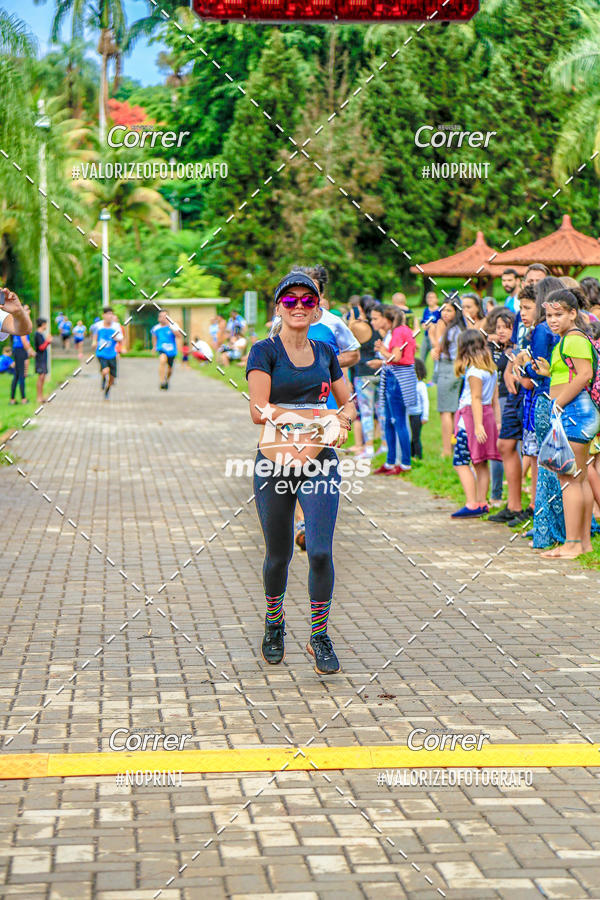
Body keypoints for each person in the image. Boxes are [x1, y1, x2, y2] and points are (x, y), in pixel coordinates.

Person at [245, 272, 356, 675]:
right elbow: (258, 410)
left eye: (306, 301)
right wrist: (311, 416)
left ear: (317, 307)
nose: (298, 308)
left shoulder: (326, 352)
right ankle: (274, 623)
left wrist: (341, 424)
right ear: (278, 307)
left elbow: (347, 405)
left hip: (320, 461)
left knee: (321, 550)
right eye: (289, 301)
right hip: (274, 463)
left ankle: (319, 635)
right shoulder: (264, 351)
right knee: (279, 555)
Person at [533, 289, 600, 559]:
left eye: (559, 314)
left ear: (573, 314)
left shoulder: (573, 339)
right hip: (575, 411)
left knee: (569, 478)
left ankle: (572, 543)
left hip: (575, 411)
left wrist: (558, 403)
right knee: (578, 478)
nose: (552, 319)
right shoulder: (567, 340)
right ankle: (582, 543)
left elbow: (583, 374)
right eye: (549, 315)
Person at [513, 276, 564, 549]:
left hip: (544, 396)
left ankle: (545, 528)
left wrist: (523, 364)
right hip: (561, 397)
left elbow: (538, 368)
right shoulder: (567, 329)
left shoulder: (543, 330)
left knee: (547, 466)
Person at [487, 284, 537, 526]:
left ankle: (534, 507)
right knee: (505, 444)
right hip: (513, 390)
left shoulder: (543, 328)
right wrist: (509, 370)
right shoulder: (520, 320)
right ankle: (514, 505)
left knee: (533, 452)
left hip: (531, 391)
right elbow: (515, 350)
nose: (523, 311)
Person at [451, 330, 501, 518]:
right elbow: (495, 399)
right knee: (481, 463)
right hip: (487, 416)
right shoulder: (491, 369)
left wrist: (478, 425)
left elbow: (476, 398)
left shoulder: (474, 371)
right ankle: (482, 501)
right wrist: (497, 422)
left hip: (472, 420)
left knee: (461, 462)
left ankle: (472, 502)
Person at [372, 308, 417, 474]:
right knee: (389, 421)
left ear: (388, 319)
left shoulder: (398, 332)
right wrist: (384, 348)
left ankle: (405, 463)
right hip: (398, 377)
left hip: (397, 378)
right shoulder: (405, 330)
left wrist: (382, 351)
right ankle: (391, 461)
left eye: (379, 317)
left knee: (398, 421)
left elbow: (395, 357)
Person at [485, 306, 515, 507]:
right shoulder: (498, 348)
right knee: (498, 449)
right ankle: (497, 493)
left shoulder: (513, 351)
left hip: (506, 400)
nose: (502, 331)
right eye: (499, 327)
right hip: (495, 399)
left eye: (506, 327)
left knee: (502, 447)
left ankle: (498, 495)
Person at [432, 299, 466, 457]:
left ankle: (447, 449)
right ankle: (451, 446)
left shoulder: (454, 330)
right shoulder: (452, 328)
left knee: (446, 410)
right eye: (443, 310)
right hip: (451, 368)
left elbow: (449, 353)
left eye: (449, 310)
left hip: (449, 368)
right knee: (451, 410)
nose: (444, 313)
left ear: (456, 312)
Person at [346, 296, 379, 459]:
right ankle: (385, 445)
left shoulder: (359, 326)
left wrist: (352, 317)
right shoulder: (380, 324)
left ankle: (369, 447)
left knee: (366, 412)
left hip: (363, 373)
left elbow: (347, 333)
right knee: (381, 411)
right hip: (380, 371)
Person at [93, 306, 123, 399]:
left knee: (112, 377)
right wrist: (94, 342)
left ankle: (107, 389)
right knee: (106, 370)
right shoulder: (98, 325)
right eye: (108, 314)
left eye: (111, 314)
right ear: (103, 315)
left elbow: (121, 339)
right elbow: (95, 335)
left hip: (112, 354)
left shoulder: (116, 326)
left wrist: (116, 339)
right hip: (101, 353)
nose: (109, 316)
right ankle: (103, 377)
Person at [151, 310, 179, 389]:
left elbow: (179, 336)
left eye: (164, 316)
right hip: (161, 348)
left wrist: (171, 327)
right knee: (162, 360)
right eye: (160, 316)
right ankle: (162, 381)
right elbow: (154, 338)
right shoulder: (156, 328)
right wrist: (154, 347)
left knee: (170, 369)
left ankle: (167, 380)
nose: (162, 318)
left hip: (171, 350)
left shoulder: (173, 325)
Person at [407, 357, 429, 459]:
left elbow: (425, 401)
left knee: (415, 437)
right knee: (410, 436)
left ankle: (418, 456)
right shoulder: (407, 384)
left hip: (417, 415)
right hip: (408, 414)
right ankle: (411, 455)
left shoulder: (421, 385)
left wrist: (425, 416)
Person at [34, 318, 52, 404]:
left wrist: (47, 341)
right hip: (40, 359)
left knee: (43, 378)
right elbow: (41, 347)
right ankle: (39, 397)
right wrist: (48, 341)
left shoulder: (41, 334)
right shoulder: (37, 334)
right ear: (42, 324)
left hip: (43, 359)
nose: (46, 326)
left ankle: (41, 396)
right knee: (40, 378)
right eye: (46, 324)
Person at [419, 291, 441, 362]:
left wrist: (432, 325)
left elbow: (442, 325)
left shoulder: (440, 310)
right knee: (422, 356)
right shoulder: (426, 310)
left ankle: (436, 372)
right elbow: (423, 322)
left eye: (432, 297)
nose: (430, 299)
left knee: (435, 357)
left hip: (435, 338)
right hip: (426, 336)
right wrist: (424, 325)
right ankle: (421, 372)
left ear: (437, 299)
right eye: (428, 297)